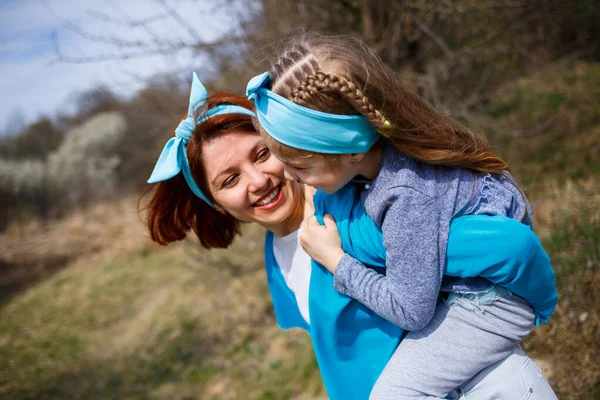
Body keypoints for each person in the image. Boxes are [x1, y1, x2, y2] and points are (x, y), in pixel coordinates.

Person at [144, 73, 557, 399]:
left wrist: (539, 296)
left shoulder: (354, 214)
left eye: (262, 154)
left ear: (282, 143)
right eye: (230, 179)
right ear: (216, 203)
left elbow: (505, 246)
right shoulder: (277, 254)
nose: (258, 180)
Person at [245, 33, 558, 399]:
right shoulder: (388, 154)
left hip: (488, 304)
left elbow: (410, 311)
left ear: (348, 150)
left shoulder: (406, 198)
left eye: (299, 165)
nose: (289, 176)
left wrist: (335, 260)